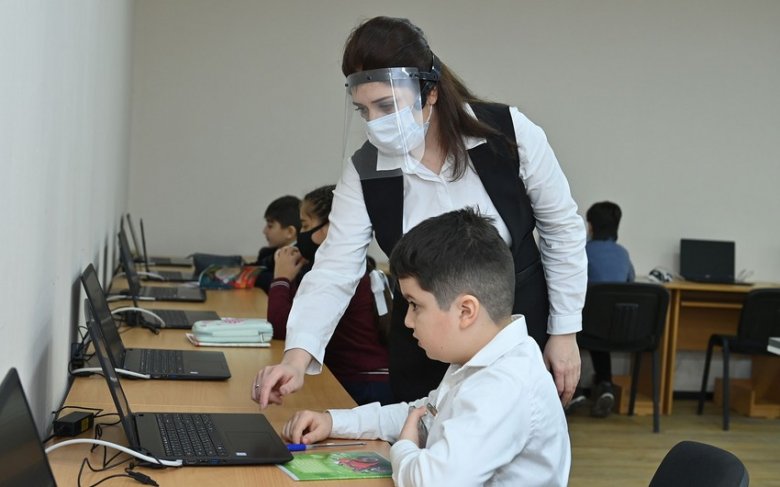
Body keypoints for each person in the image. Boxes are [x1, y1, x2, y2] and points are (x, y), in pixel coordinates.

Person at [252, 16, 586, 408]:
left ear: (430, 92)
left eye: (386, 106)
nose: (376, 123)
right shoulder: (366, 169)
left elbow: (562, 229)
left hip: (518, 332)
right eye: (364, 110)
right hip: (424, 347)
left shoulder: (508, 133)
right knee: (419, 435)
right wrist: (296, 357)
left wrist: (565, 332)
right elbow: (335, 267)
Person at [280, 209, 571, 486]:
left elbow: (430, 481)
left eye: (415, 305)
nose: (407, 321)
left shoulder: (503, 385)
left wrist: (405, 446)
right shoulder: (482, 358)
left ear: (466, 311)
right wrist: (332, 422)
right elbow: (420, 415)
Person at [267, 185, 392, 405]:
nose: (302, 235)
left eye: (306, 225)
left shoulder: (341, 279)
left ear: (330, 227)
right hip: (364, 380)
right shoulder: (349, 269)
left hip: (365, 388)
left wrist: (282, 279)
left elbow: (280, 326)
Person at [568, 201, 635, 417]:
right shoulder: (623, 255)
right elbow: (630, 282)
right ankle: (606, 385)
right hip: (616, 328)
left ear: (590, 226)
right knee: (601, 329)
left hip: (586, 328)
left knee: (568, 329)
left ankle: (573, 389)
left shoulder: (582, 252)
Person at [252, 195, 300, 292]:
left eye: (270, 226)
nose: (264, 231)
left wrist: (253, 276)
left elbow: (275, 281)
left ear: (290, 232)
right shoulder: (269, 253)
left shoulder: (299, 258)